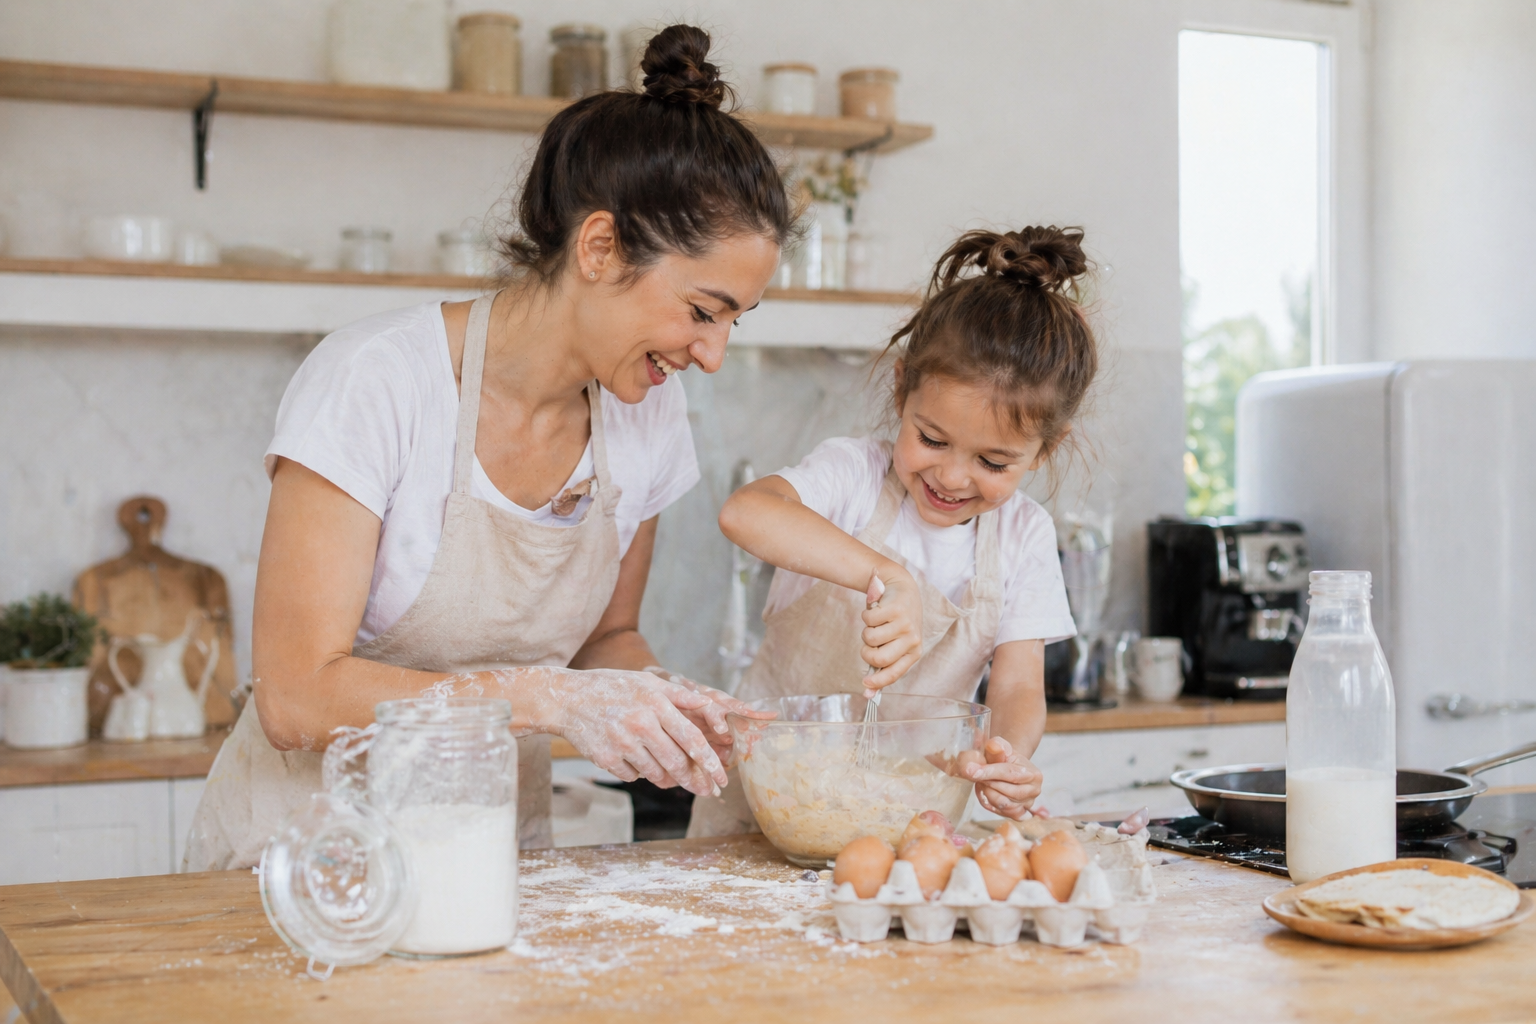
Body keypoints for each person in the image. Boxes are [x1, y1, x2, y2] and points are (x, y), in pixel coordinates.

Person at [185, 25, 790, 870]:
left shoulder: (647, 412)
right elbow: (295, 695)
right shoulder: (378, 380)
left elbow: (606, 640)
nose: (713, 352)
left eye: (735, 320)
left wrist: (661, 704)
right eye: (702, 310)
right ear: (600, 247)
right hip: (303, 869)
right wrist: (552, 699)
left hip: (486, 864)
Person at [689, 227, 1098, 836]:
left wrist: (1004, 756)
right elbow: (746, 512)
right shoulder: (854, 476)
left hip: (908, 823)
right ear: (902, 388)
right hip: (762, 816)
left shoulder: (1022, 535)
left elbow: (1017, 684)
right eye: (931, 439)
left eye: (993, 462)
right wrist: (887, 575)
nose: (953, 476)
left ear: (1044, 451)